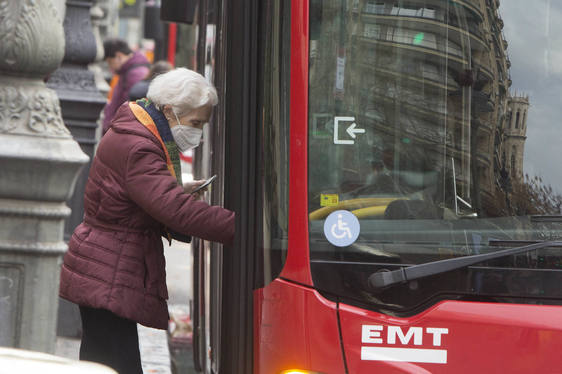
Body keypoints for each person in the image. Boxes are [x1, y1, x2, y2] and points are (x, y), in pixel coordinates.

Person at [59, 68, 235, 373]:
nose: (198, 134)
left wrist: (176, 187)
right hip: (110, 269)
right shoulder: (140, 145)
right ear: (169, 111)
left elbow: (136, 191)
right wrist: (240, 227)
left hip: (105, 265)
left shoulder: (137, 129)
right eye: (195, 123)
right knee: (116, 364)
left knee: (103, 362)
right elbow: (175, 210)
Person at [101, 38, 150, 135]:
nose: (110, 67)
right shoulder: (128, 71)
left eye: (110, 62)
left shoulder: (135, 74)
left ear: (119, 56)